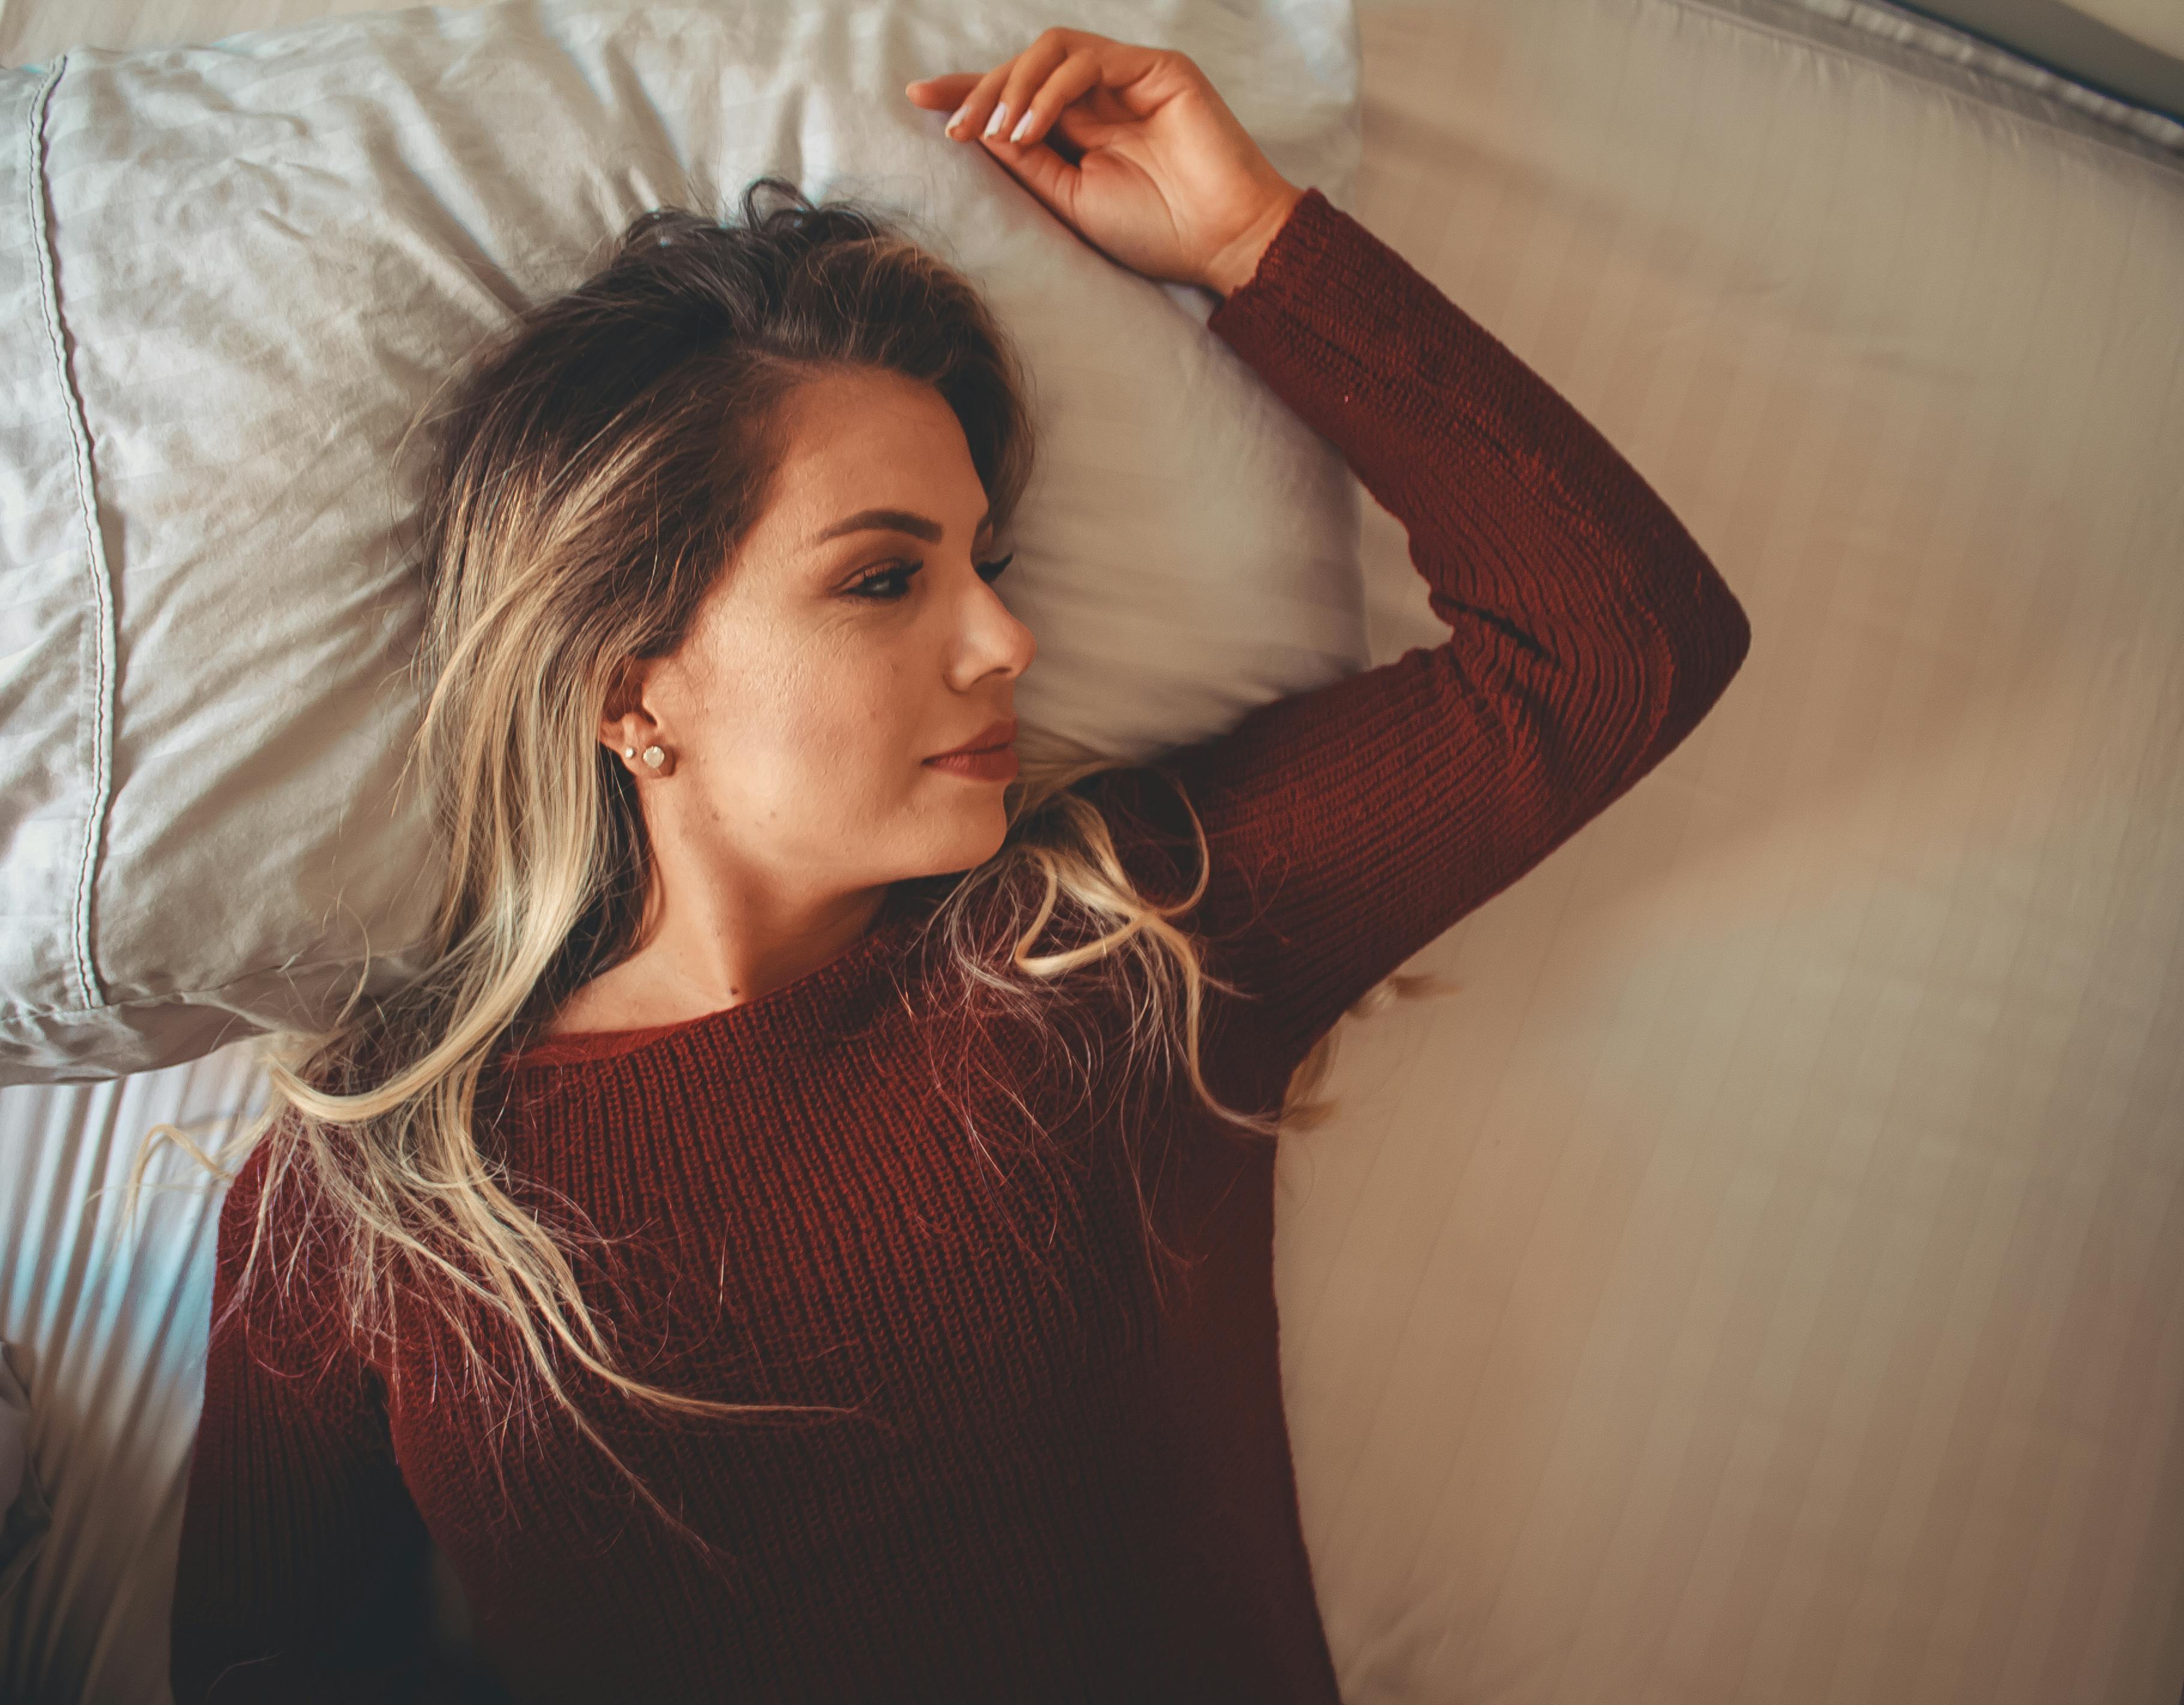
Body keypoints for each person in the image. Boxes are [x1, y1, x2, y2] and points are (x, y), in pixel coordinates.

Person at [166, 26, 1752, 1704]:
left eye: (984, 562)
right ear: (634, 688)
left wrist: (1250, 246)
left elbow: (1614, 643)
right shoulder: (373, 1195)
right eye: (883, 580)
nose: (1008, 635)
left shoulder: (1106, 948)